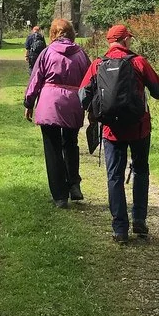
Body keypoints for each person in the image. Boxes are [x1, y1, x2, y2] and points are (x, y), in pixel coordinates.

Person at [79, 24, 159, 243]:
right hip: (139, 128)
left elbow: (82, 96)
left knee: (114, 176)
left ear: (110, 42)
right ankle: (139, 220)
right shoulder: (138, 62)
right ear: (126, 40)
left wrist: (97, 109)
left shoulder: (98, 64)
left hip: (111, 131)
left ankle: (120, 229)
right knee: (141, 171)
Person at [23, 19, 91, 208]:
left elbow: (35, 79)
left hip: (49, 103)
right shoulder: (81, 54)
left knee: (52, 148)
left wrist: (28, 103)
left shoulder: (46, 53)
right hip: (73, 102)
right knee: (71, 143)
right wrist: (91, 105)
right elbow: (90, 79)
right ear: (72, 34)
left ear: (53, 34)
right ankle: (74, 184)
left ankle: (60, 196)